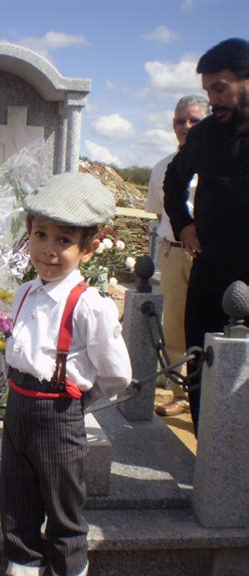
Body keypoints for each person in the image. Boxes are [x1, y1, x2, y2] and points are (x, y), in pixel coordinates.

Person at [0, 172, 132, 576]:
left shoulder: (91, 306)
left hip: (59, 416)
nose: (48, 249)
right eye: (39, 235)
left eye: (63, 240)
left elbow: (116, 375)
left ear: (88, 248)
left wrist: (76, 402)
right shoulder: (26, 291)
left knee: (64, 513)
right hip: (19, 412)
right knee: (18, 504)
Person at [164, 38, 249, 435]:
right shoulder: (208, 134)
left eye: (221, 88)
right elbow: (174, 179)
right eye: (208, 90)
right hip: (211, 272)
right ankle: (205, 462)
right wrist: (182, 223)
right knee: (204, 369)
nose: (213, 100)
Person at [145, 95, 209, 417]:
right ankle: (180, 393)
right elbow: (161, 217)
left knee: (215, 327)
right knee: (173, 329)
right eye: (180, 120)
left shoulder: (222, 163)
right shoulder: (162, 168)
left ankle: (214, 395)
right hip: (173, 254)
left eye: (194, 120)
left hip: (210, 258)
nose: (186, 126)